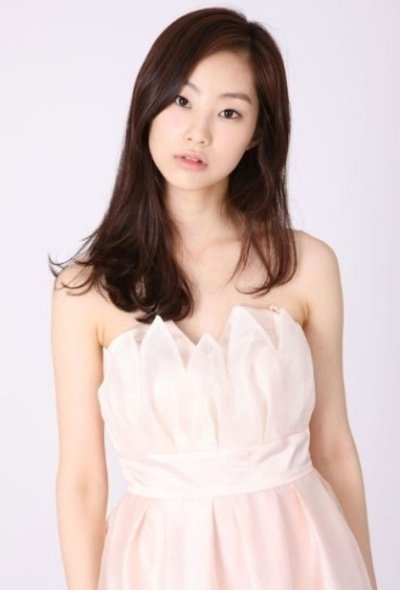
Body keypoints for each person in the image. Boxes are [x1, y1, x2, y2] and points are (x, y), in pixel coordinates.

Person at [49, 6, 377, 589]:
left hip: (301, 560)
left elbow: (333, 447)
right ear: (148, 103)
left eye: (229, 112)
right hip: (159, 567)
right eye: (182, 100)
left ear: (257, 135)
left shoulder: (306, 266)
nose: (198, 132)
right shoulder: (85, 289)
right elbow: (82, 481)